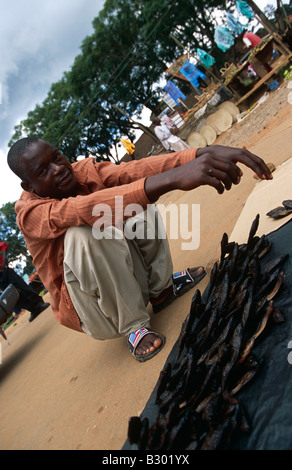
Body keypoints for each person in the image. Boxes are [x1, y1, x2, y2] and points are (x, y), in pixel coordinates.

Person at [7, 137, 272, 361]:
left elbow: (135, 170)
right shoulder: (29, 213)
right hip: (95, 312)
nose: (58, 168)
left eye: (57, 157)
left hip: (128, 279)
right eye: (43, 171)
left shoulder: (84, 172)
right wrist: (174, 179)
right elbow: (82, 209)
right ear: (29, 186)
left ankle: (162, 290)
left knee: (132, 198)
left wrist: (202, 153)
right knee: (84, 230)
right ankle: (134, 328)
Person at [0, 241, 50, 322]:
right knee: (12, 297)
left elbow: (5, 245)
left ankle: (39, 303)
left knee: (22, 286)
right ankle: (33, 309)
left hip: (4, 271)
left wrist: (4, 260)